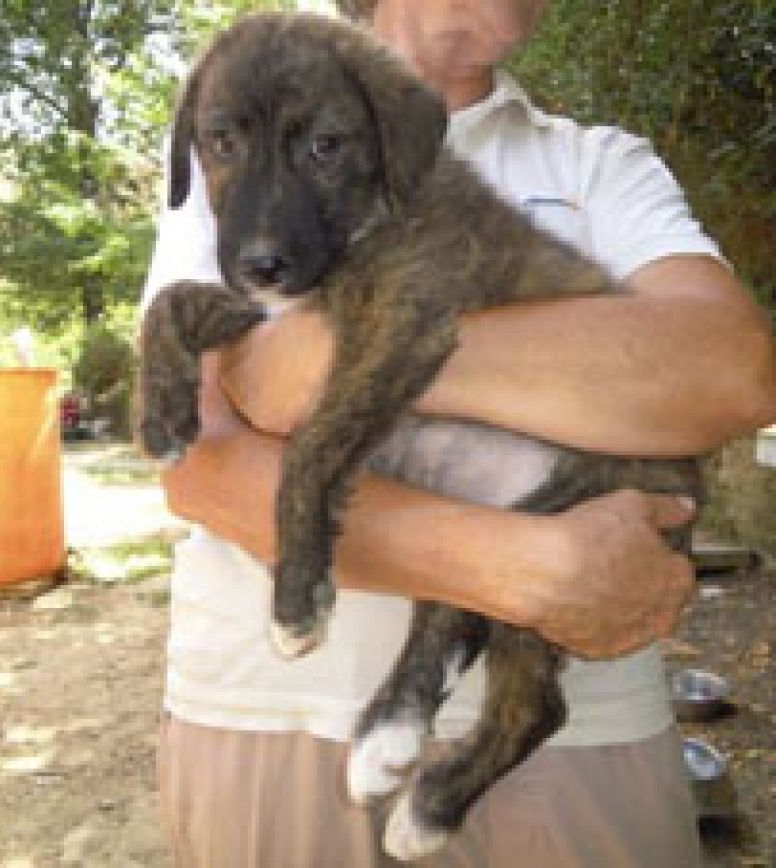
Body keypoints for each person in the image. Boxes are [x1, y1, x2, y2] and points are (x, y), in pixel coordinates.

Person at [145, 1, 776, 866]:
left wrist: (364, 350)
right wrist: (522, 565)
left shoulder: (597, 162)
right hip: (271, 712)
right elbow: (202, 467)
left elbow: (730, 371)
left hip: (587, 743)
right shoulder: (243, 118)